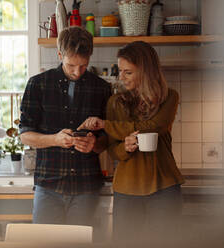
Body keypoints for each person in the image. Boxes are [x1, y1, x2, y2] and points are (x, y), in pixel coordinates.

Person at [78, 41, 185, 245]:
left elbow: (154, 126)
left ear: (145, 71)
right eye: (120, 71)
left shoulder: (169, 97)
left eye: (128, 72)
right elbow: (112, 150)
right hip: (127, 189)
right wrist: (124, 148)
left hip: (163, 186)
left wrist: (106, 124)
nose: (121, 77)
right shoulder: (115, 102)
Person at [19, 26, 112, 226]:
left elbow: (107, 139)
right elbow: (25, 135)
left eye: (84, 66)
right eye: (71, 65)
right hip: (48, 185)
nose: (77, 72)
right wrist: (55, 139)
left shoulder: (102, 88)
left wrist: (94, 144)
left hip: (86, 187)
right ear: (60, 54)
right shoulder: (38, 85)